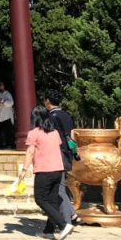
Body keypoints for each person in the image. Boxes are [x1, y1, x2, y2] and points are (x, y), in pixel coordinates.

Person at [18, 106, 74, 240]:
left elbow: (30, 152)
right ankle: (48, 231)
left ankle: (63, 224)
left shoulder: (34, 133)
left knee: (40, 199)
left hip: (44, 170)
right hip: (58, 170)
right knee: (52, 201)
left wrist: (24, 170)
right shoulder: (54, 132)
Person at [43, 89, 77, 225]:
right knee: (61, 187)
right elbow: (71, 135)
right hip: (68, 152)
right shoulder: (66, 115)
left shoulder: (52, 117)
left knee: (59, 189)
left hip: (58, 153)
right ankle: (70, 216)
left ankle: (70, 218)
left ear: (48, 101)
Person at [0, 82, 14, 148]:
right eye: (0, 85)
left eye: (2, 84)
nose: (0, 86)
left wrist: (3, 101)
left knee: (7, 131)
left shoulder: (8, 94)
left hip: (6, 116)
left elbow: (11, 103)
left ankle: (8, 145)